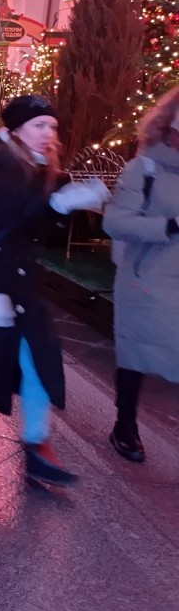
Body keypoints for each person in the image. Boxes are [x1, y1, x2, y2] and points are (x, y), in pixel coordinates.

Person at [0, 95, 108, 485]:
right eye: (39, 125)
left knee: (38, 362)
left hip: (21, 286)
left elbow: (34, 230)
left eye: (52, 126)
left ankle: (36, 445)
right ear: (16, 130)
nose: (48, 133)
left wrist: (61, 207)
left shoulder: (42, 170)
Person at [102, 86, 179, 463]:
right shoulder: (145, 168)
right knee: (136, 352)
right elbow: (115, 222)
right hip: (146, 279)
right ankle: (125, 424)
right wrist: (171, 225)